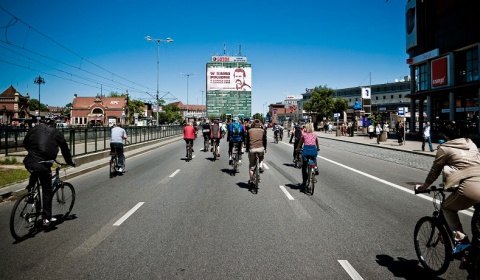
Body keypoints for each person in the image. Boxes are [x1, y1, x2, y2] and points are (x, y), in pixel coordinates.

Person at [415, 121, 480, 254]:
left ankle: (461, 241)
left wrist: (423, 187)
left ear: (444, 134)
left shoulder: (444, 148)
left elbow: (435, 171)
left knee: (446, 207)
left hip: (470, 187)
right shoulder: (471, 143)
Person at [23, 117, 75, 226]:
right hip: (43, 164)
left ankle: (30, 193)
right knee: (47, 190)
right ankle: (46, 218)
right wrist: (69, 161)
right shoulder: (57, 133)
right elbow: (65, 149)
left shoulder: (35, 128)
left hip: (29, 161)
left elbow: (25, 142)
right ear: (54, 124)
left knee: (35, 171)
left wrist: (33, 152)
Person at [296, 123, 320, 187]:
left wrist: (298, 148)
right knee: (314, 158)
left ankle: (304, 181)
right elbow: (317, 143)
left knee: (304, 166)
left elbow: (300, 143)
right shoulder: (315, 134)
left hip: (306, 151)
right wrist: (318, 148)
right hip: (313, 150)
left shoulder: (304, 135)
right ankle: (315, 168)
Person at [246, 119, 267, 185]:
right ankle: (260, 165)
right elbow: (265, 140)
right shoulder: (262, 131)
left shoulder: (249, 131)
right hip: (260, 149)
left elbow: (247, 141)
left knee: (251, 167)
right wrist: (265, 149)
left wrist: (247, 149)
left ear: (253, 124)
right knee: (262, 156)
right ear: (260, 125)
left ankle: (251, 179)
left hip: (252, 149)